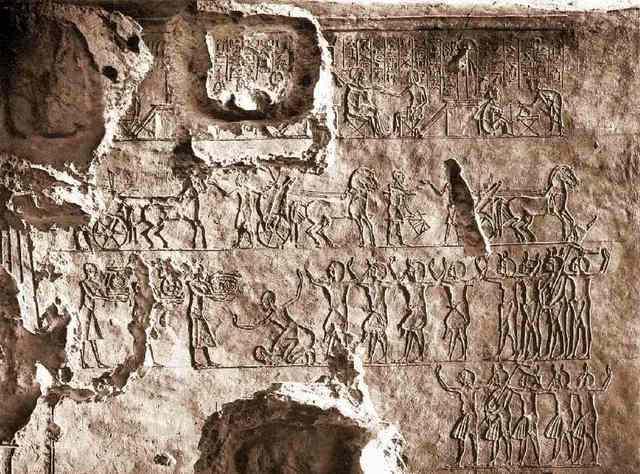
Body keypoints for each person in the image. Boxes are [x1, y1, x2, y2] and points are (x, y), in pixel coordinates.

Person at [435, 364, 480, 467]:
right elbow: (447, 387)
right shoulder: (466, 390)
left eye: (462, 377)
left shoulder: (467, 390)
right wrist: (438, 376)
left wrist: (439, 375)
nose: (460, 379)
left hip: (470, 416)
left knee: (469, 438)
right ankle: (464, 461)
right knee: (466, 439)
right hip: (468, 416)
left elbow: (447, 387)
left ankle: (471, 461)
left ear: (466, 379)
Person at [79, 263, 111, 369]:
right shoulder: (83, 283)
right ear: (88, 272)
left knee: (93, 337)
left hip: (90, 310)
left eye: (95, 271)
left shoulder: (94, 283)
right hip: (85, 311)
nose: (95, 273)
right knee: (84, 337)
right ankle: (82, 362)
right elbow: (91, 295)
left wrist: (106, 296)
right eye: (93, 271)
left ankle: (98, 362)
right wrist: (104, 298)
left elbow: (101, 292)